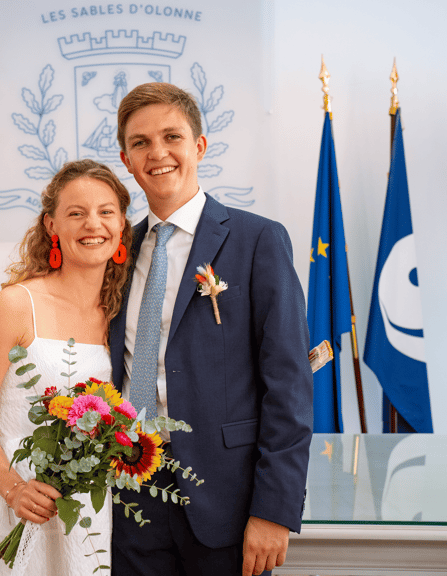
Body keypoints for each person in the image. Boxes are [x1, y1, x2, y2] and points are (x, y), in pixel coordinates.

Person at [108, 83, 313, 576]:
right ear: (127, 160)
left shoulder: (258, 239)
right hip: (130, 495)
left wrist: (275, 509)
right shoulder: (115, 253)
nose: (158, 153)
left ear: (199, 145)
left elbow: (289, 385)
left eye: (172, 137)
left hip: (228, 500)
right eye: (140, 143)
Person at [0, 159, 132, 575]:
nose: (93, 224)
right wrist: (15, 490)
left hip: (87, 513)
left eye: (106, 211)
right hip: (13, 506)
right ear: (52, 225)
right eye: (76, 213)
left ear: (122, 224)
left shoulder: (121, 314)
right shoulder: (15, 306)